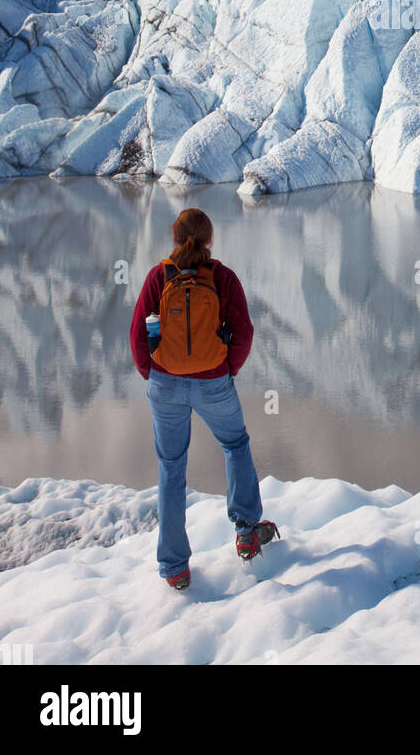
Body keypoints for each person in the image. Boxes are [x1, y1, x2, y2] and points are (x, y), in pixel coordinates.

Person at [130, 207, 277, 589]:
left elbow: (136, 337)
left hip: (165, 385)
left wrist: (156, 375)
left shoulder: (159, 277)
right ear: (209, 239)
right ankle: (246, 529)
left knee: (171, 467)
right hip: (214, 382)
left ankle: (175, 568)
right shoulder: (222, 277)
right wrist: (227, 369)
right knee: (235, 443)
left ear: (175, 238)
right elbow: (243, 331)